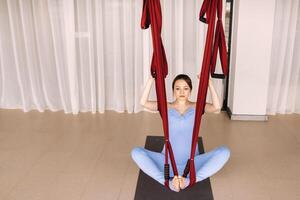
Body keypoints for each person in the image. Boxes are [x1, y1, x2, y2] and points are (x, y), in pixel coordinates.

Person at [131, 74, 230, 192]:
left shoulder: (197, 106)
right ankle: (166, 182)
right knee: (136, 152)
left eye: (186, 88)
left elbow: (216, 107)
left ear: (190, 90)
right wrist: (151, 78)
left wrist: (209, 83)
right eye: (178, 88)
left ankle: (189, 181)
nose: (182, 92)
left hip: (192, 164)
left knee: (225, 152)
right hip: (166, 162)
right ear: (173, 91)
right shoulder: (165, 106)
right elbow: (143, 102)